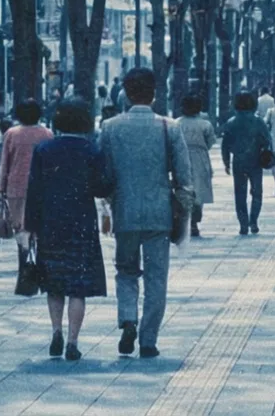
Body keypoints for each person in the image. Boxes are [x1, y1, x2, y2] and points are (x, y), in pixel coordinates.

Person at [102, 67, 192, 359]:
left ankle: (128, 317)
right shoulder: (169, 127)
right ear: (154, 93)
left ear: (125, 94)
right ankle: (148, 339)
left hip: (124, 211)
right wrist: (185, 213)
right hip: (159, 214)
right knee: (156, 278)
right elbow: (184, 177)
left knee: (126, 270)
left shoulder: (110, 127)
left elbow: (103, 173)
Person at [23, 97, 108, 361]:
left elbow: (33, 190)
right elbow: (101, 188)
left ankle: (56, 331)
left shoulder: (44, 149)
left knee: (54, 283)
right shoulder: (91, 150)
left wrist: (30, 227)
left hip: (50, 222)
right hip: (81, 221)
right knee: (77, 287)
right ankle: (73, 340)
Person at [0, 99, 53, 240]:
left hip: (16, 186)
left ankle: (23, 256)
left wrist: (2, 187)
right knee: (39, 225)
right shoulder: (47, 134)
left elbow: (5, 164)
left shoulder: (11, 134)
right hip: (42, 186)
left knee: (20, 227)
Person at [220, 91, 271, 235]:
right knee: (257, 192)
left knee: (240, 194)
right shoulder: (259, 121)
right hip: (255, 161)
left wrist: (226, 162)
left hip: (238, 162)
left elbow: (225, 145)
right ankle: (253, 221)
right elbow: (267, 140)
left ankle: (243, 224)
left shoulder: (231, 122)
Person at [175, 95, 217, 239]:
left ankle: (185, 220)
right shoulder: (205, 124)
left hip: (181, 158)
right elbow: (211, 142)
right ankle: (195, 221)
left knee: (183, 190)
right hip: (200, 158)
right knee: (199, 191)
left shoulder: (176, 124)